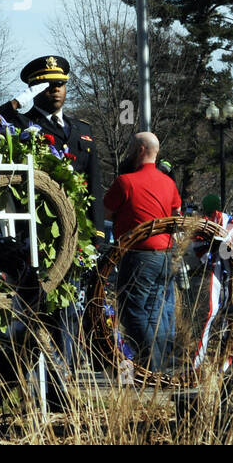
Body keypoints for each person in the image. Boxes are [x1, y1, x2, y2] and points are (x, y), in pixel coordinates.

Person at [0, 55, 104, 237]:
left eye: (60, 84)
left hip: (78, 231)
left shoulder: (82, 129)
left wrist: (98, 235)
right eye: (47, 85)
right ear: (33, 90)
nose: (55, 90)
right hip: (35, 231)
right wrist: (14, 104)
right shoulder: (19, 124)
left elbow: (93, 184)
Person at [103, 131, 181, 372]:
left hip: (138, 255)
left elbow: (105, 212)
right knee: (160, 309)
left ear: (139, 150)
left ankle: (151, 365)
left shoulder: (125, 182)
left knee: (133, 311)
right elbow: (176, 214)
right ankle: (166, 363)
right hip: (166, 255)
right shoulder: (169, 183)